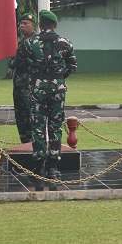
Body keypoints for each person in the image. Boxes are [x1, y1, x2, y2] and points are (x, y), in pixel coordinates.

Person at [16, 9, 77, 180]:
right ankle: (53, 167)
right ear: (55, 25)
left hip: (37, 89)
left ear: (40, 25)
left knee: (38, 127)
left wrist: (35, 73)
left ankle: (39, 167)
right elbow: (72, 65)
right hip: (58, 90)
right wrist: (59, 77)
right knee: (56, 127)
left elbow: (19, 60)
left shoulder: (30, 43)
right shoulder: (65, 43)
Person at [8, 12, 37, 144]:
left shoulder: (36, 42)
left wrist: (18, 60)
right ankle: (25, 144)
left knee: (31, 116)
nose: (22, 26)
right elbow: (11, 63)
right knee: (20, 117)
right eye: (21, 23)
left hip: (30, 85)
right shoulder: (19, 42)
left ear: (33, 25)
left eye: (25, 23)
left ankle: (34, 144)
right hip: (19, 86)